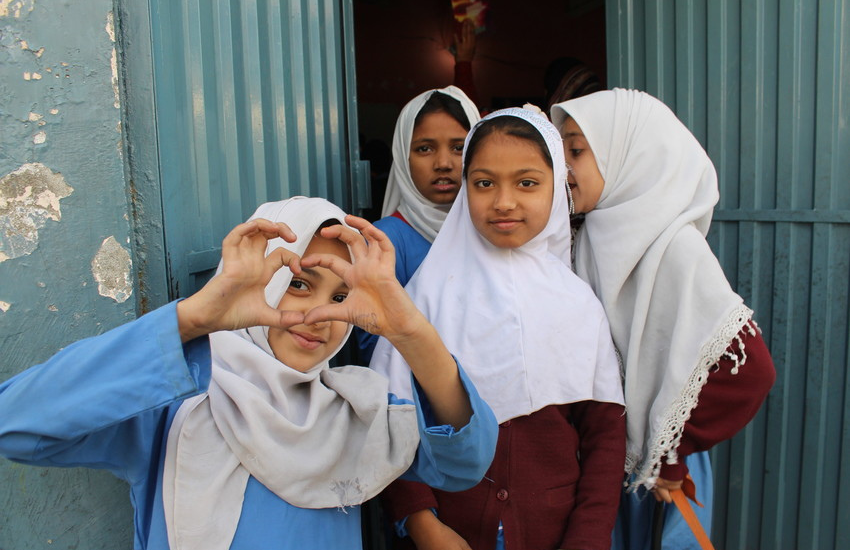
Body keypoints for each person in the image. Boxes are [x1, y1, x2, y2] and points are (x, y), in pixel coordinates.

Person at [0, 197, 498, 550]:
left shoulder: (355, 417)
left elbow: (464, 463)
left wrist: (410, 331)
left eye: (341, 297)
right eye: (300, 284)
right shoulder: (175, 407)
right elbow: (15, 423)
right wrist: (193, 319)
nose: (321, 315)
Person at [370, 107, 626, 550]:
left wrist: (588, 538)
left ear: (556, 191)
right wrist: (421, 521)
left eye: (527, 183)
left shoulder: (578, 303)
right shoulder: (427, 296)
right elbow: (388, 418)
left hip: (554, 532)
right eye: (484, 183)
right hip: (448, 531)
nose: (504, 201)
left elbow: (604, 434)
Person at [550, 89, 776, 549]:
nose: (564, 167)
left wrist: (667, 456)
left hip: (655, 475)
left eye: (576, 149)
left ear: (630, 156)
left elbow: (752, 372)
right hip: (601, 461)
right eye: (561, 150)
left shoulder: (675, 249)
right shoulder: (588, 236)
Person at [357, 85, 480, 363]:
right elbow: (375, 349)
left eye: (459, 148)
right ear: (402, 157)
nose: (443, 163)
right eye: (425, 148)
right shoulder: (384, 240)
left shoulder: (495, 230)